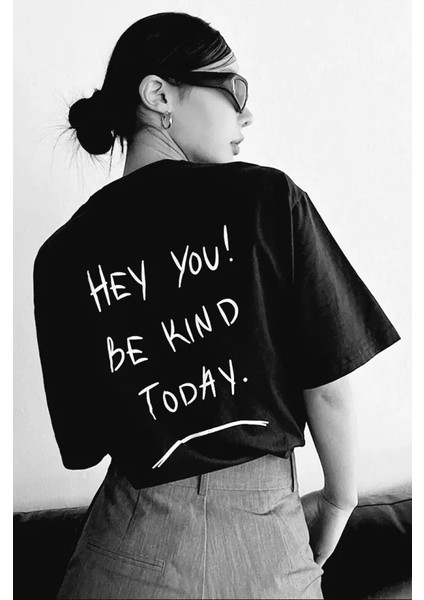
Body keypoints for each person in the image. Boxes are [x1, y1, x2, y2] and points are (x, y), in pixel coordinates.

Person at [32, 11, 401, 600]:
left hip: (123, 547)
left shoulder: (60, 256)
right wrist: (338, 502)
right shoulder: (268, 200)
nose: (246, 114)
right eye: (235, 90)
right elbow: (329, 385)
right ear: (159, 94)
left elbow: (82, 446)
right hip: (265, 546)